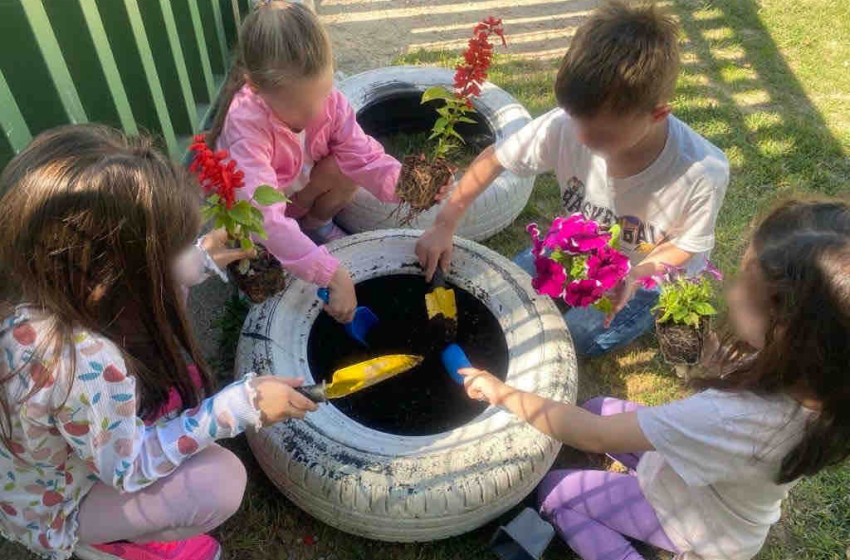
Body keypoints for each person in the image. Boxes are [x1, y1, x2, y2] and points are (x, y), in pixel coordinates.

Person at [459, 197, 850, 560]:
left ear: (787, 328)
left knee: (557, 492)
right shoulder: (824, 376)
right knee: (597, 407)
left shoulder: (730, 416)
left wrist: (504, 392)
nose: (730, 292)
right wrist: (718, 370)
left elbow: (591, 435)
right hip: (714, 483)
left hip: (700, 519)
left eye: (746, 285)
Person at [0, 125, 319, 560]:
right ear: (118, 276)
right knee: (221, 480)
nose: (185, 256)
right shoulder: (85, 362)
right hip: (58, 506)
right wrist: (237, 407)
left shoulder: (32, 299)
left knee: (176, 384)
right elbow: (129, 468)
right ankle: (109, 544)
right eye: (173, 251)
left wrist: (196, 261)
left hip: (32, 472)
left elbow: (149, 284)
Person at [416, 0, 729, 357]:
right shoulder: (567, 125)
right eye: (576, 121)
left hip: (643, 274)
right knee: (501, 298)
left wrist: (634, 274)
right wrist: (444, 224)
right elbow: (494, 159)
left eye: (600, 136)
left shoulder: (702, 170)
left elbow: (687, 246)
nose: (580, 139)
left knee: (563, 341)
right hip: (578, 246)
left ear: (657, 115)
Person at [212, 1, 445, 324]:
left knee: (347, 163)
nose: (316, 113)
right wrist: (330, 274)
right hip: (257, 219)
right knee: (261, 259)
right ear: (255, 87)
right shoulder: (246, 125)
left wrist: (407, 186)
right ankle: (262, 264)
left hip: (298, 195)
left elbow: (364, 156)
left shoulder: (329, 103)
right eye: (302, 107)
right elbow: (262, 218)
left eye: (322, 95)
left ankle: (315, 227)